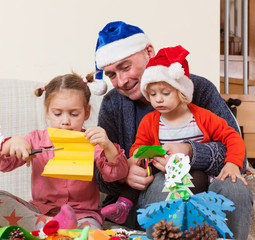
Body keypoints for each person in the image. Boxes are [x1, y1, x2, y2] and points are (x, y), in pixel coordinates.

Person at [93, 21, 253, 240]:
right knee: (164, 183)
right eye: (111, 74)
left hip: (206, 184)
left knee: (235, 187)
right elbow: (100, 178)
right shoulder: (113, 104)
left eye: (126, 67)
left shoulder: (199, 89)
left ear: (149, 51)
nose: (121, 81)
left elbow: (236, 153)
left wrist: (190, 152)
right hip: (149, 194)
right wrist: (124, 172)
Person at [0, 72, 129, 232]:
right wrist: (11, 144)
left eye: (74, 114)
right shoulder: (35, 139)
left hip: (83, 216)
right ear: (47, 112)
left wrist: (108, 146)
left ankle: (52, 231)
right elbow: (2, 164)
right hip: (41, 212)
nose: (65, 121)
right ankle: (48, 226)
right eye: (57, 114)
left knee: (92, 234)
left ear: (87, 112)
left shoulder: (91, 141)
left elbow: (118, 174)